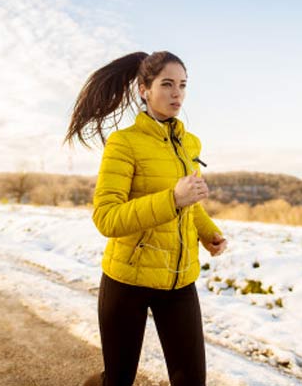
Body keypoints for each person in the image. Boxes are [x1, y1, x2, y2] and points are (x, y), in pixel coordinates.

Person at [65, 51, 227, 386]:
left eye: (182, 85)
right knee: (118, 380)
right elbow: (107, 218)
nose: (176, 93)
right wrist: (172, 199)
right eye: (166, 84)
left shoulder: (189, 143)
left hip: (179, 281)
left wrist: (208, 232)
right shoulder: (124, 144)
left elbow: (190, 204)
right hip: (127, 282)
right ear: (144, 89)